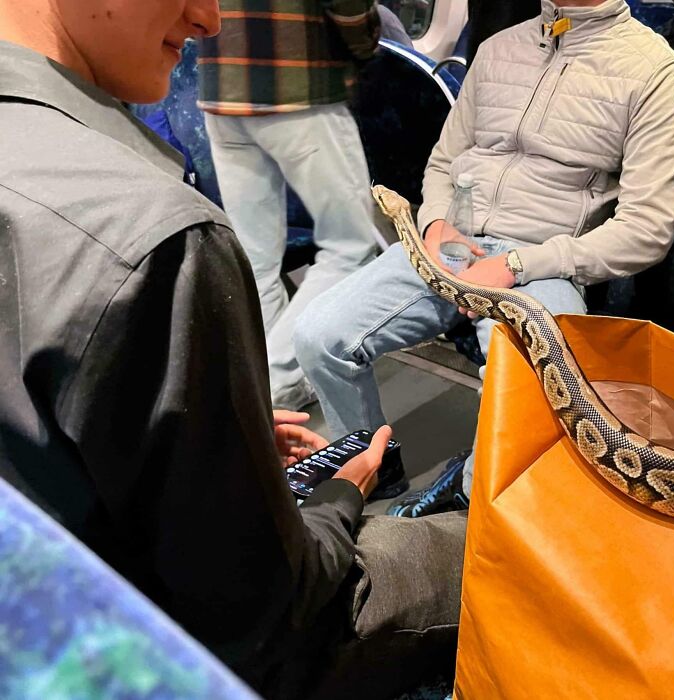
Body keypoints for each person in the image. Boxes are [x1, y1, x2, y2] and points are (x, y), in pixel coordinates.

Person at [0, 2, 466, 699]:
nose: (208, 19)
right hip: (158, 647)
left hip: (229, 103)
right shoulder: (154, 239)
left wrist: (216, 413)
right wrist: (341, 495)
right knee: (487, 541)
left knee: (257, 256)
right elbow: (268, 613)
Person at [294, 0, 674, 517]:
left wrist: (516, 266)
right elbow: (443, 161)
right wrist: (436, 225)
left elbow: (647, 230)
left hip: (544, 261)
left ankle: (469, 487)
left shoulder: (654, 69)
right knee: (319, 336)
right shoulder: (499, 47)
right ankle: (370, 464)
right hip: (454, 243)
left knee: (516, 376)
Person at [197, 0, 382, 416]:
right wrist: (367, 43)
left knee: (256, 259)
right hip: (298, 90)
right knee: (350, 249)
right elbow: (350, 9)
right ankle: (275, 382)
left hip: (220, 90)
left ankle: (277, 386)